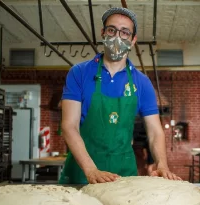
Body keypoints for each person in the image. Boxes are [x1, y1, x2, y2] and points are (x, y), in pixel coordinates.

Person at [59, 7, 181, 184]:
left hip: (123, 173)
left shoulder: (142, 82)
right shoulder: (79, 73)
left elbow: (155, 131)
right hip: (82, 171)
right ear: (103, 33)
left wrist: (162, 164)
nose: (117, 37)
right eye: (112, 30)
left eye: (125, 33)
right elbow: (69, 126)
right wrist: (91, 170)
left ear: (133, 40)